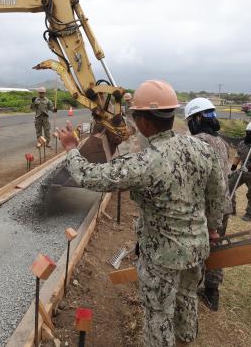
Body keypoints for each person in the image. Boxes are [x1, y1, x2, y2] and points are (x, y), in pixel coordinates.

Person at [57, 80, 225, 346]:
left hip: (162, 256)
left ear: (144, 122)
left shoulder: (146, 162)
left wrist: (70, 149)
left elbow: (90, 177)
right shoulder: (203, 149)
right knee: (187, 300)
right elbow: (217, 196)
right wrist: (213, 228)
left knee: (158, 314)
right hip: (197, 250)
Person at [185, 97, 231, 311]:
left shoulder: (198, 142)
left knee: (196, 247)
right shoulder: (222, 142)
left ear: (197, 118)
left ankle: (190, 291)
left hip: (205, 207)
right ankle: (212, 292)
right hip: (223, 206)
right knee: (216, 249)